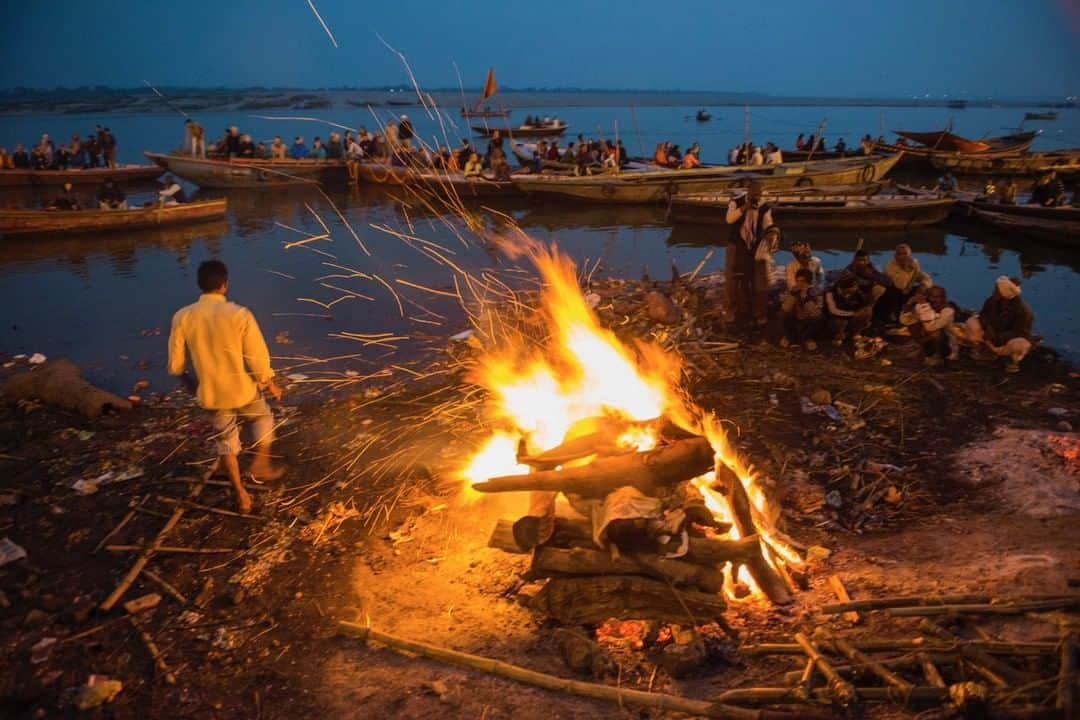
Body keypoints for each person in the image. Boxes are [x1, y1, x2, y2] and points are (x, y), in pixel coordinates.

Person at [168, 260, 285, 514]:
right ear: (225, 285)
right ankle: (260, 464)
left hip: (212, 394)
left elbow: (176, 366)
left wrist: (195, 388)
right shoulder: (240, 314)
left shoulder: (182, 316)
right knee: (263, 417)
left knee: (226, 440)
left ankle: (241, 494)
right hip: (243, 389)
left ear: (200, 285)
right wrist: (270, 383)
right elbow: (257, 358)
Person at [724, 181, 776, 327]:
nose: (757, 197)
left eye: (759, 194)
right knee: (732, 279)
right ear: (749, 191)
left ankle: (758, 313)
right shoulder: (736, 202)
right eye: (755, 193)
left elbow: (768, 224)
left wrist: (772, 232)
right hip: (736, 245)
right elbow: (729, 219)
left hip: (755, 246)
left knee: (759, 281)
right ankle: (731, 310)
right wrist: (745, 208)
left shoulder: (764, 207)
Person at [961, 276, 1034, 373]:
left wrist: (997, 336)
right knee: (972, 322)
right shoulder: (992, 301)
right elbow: (983, 316)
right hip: (990, 337)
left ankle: (1011, 360)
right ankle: (984, 350)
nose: (994, 291)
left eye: (996, 289)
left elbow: (1021, 333)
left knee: (1020, 344)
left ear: (1004, 292)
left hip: (1006, 341)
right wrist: (988, 327)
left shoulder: (1023, 311)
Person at [899, 286, 956, 366]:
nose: (934, 300)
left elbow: (930, 327)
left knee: (937, 333)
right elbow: (906, 321)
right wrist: (909, 304)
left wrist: (924, 305)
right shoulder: (925, 306)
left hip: (946, 346)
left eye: (937, 297)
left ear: (943, 298)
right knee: (913, 325)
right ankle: (925, 351)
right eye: (931, 297)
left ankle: (937, 356)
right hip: (928, 340)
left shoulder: (948, 311)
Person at [882, 243, 932, 323]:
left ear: (910, 255)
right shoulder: (889, 266)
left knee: (927, 291)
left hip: (906, 291)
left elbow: (925, 277)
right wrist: (907, 268)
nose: (902, 256)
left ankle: (918, 314)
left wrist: (923, 285)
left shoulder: (913, 263)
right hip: (894, 292)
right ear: (895, 255)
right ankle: (894, 316)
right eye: (899, 254)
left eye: (905, 254)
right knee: (892, 291)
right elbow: (901, 285)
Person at [826, 273, 875, 346]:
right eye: (853, 288)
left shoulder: (858, 291)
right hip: (836, 318)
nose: (856, 288)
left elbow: (866, 304)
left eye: (855, 286)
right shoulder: (830, 292)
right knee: (840, 321)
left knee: (867, 311)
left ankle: (855, 333)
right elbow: (832, 310)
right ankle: (838, 336)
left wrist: (861, 311)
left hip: (852, 315)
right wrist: (852, 314)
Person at [780, 268, 823, 350]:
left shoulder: (816, 292)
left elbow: (816, 314)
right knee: (783, 313)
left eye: (802, 281)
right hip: (795, 319)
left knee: (818, 318)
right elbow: (785, 309)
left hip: (808, 321)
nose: (799, 284)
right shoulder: (792, 290)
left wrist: (806, 298)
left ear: (808, 282)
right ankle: (790, 337)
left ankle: (808, 339)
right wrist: (792, 295)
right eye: (798, 281)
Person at [845, 249, 889, 325]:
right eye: (859, 260)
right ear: (855, 260)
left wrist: (870, 276)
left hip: (868, 296)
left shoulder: (870, 268)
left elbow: (887, 281)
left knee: (881, 289)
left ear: (868, 261)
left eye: (864, 260)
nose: (861, 262)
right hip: (854, 297)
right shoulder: (849, 270)